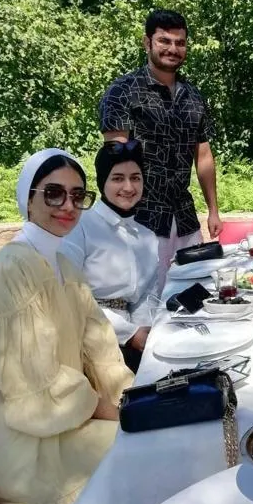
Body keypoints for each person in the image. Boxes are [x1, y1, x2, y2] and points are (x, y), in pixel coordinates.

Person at [0, 148, 134, 504]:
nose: (67, 206)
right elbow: (37, 387)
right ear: (28, 199)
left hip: (66, 418)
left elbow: (98, 344)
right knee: (131, 451)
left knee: (149, 433)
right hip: (29, 442)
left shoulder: (61, 260)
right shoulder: (13, 267)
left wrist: (129, 399)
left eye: (77, 196)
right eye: (54, 194)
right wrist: (111, 414)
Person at [99, 9, 223, 286]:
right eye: (164, 41)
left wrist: (213, 209)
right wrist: (120, 220)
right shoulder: (123, 92)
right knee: (146, 298)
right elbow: (114, 159)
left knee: (198, 290)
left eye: (180, 43)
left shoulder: (193, 96)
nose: (173, 49)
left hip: (184, 213)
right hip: (141, 218)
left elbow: (202, 155)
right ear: (147, 43)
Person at [61, 140, 159, 373]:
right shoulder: (79, 227)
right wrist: (130, 333)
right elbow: (71, 296)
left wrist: (143, 329)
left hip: (135, 339)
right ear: (102, 181)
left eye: (136, 177)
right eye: (117, 178)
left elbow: (147, 294)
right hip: (89, 339)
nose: (128, 187)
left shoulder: (145, 234)